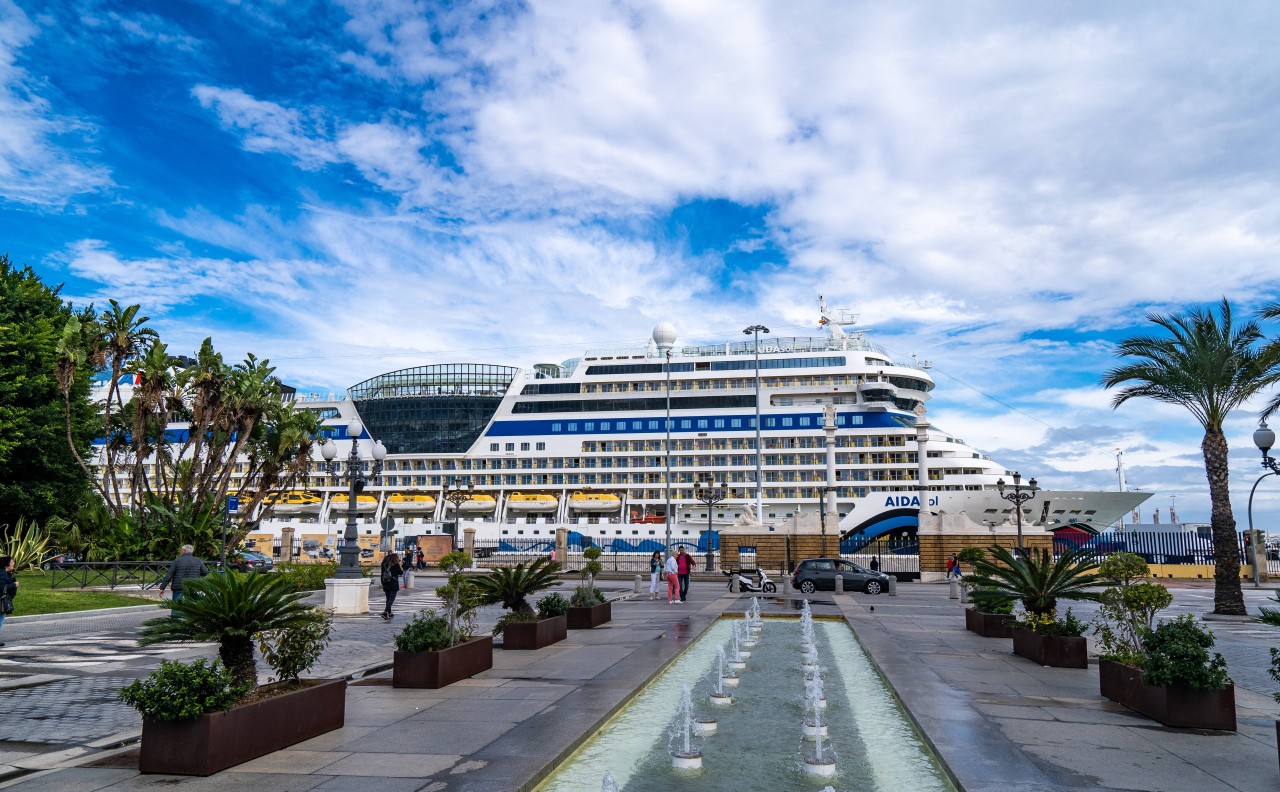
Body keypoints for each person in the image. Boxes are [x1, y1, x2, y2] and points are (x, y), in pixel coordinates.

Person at [380, 552, 403, 621]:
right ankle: (385, 612)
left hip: (386, 584)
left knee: (388, 599)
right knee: (391, 599)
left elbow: (382, 574)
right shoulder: (396, 565)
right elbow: (401, 573)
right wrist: (400, 565)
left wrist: (383, 583)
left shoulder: (385, 565)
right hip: (393, 584)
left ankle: (389, 613)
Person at [0, 556, 16, 647]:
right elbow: (1, 587)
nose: (13, 564)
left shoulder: (4, 573)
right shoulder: (2, 574)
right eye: (12, 562)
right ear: (6, 564)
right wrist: (13, 584)